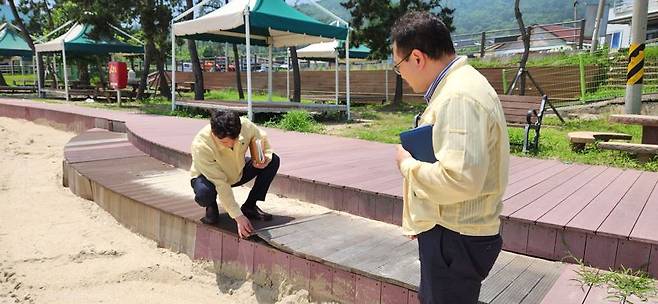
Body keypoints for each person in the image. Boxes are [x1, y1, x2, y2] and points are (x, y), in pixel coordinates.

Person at [392, 11, 510, 304]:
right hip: (453, 231)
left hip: (454, 236)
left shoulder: (458, 97)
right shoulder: (461, 86)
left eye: (398, 66)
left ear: (417, 58)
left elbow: (460, 179)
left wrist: (407, 166)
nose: (401, 76)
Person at [190, 110, 280, 238]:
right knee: (205, 193)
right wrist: (238, 216)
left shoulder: (245, 125)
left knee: (274, 160)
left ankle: (250, 205)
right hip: (208, 178)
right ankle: (211, 205)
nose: (231, 144)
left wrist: (263, 158)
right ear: (214, 134)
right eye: (225, 142)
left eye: (235, 139)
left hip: (237, 170)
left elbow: (261, 138)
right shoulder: (201, 145)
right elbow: (220, 183)